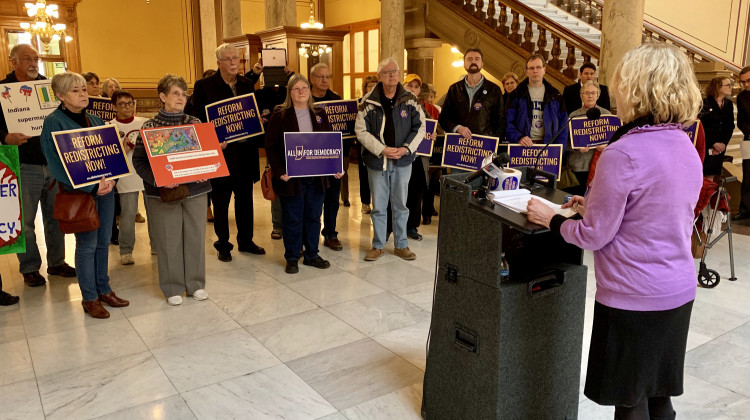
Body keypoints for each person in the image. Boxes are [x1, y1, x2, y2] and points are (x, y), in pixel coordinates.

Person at [527, 43, 703, 420]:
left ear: (637, 89)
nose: (614, 93)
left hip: (633, 296)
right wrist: (591, 205)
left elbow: (593, 236)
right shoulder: (685, 146)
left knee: (630, 401)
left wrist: (551, 219)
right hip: (678, 290)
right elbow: (652, 213)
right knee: (659, 396)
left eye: (620, 84)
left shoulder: (622, 153)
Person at [41, 72, 129, 319]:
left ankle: (104, 289)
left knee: (103, 244)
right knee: (87, 246)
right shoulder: (54, 122)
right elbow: (56, 164)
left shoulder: (95, 119)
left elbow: (112, 154)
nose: (83, 94)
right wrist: (91, 188)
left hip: (106, 191)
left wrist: (112, 180)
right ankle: (89, 297)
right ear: (60, 95)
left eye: (83, 89)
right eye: (76, 91)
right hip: (82, 194)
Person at [0, 44, 76, 287]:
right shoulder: (2, 90)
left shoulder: (49, 87)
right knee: (26, 222)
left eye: (36, 58)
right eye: (27, 59)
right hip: (22, 164)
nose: (34, 63)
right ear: (13, 62)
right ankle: (30, 267)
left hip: (53, 162)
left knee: (55, 216)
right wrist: (5, 138)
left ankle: (56, 262)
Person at [132, 74, 211, 306]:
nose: (181, 97)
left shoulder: (195, 123)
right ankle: (172, 287)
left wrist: (207, 168)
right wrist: (158, 180)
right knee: (169, 240)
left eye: (184, 93)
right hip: (163, 194)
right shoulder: (149, 127)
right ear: (162, 96)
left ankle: (196, 284)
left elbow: (207, 155)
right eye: (176, 93)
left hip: (196, 191)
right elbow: (140, 162)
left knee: (196, 238)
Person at [190, 43, 265, 262]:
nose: (234, 63)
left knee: (245, 201)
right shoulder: (204, 86)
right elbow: (198, 120)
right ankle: (223, 244)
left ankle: (246, 240)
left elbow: (251, 113)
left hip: (245, 153)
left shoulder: (246, 83)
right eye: (229, 59)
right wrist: (213, 140)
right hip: (220, 153)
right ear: (219, 63)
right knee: (221, 202)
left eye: (237, 59)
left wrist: (255, 120)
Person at [265, 74, 344, 273]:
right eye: (296, 89)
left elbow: (329, 143)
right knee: (292, 218)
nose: (301, 92)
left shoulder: (319, 113)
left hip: (317, 178)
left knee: (313, 217)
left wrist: (336, 165)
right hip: (291, 178)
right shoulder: (280, 114)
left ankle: (311, 254)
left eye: (304, 88)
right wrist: (279, 171)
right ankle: (292, 257)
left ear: (309, 91)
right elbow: (271, 146)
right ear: (289, 92)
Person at [355, 57, 425, 262]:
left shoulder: (410, 98)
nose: (392, 75)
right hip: (377, 161)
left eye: (395, 71)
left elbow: (420, 127)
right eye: (387, 72)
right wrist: (383, 149)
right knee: (378, 205)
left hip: (403, 160)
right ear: (380, 76)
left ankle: (401, 245)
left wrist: (406, 148)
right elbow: (361, 131)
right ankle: (378, 245)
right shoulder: (368, 100)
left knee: (401, 205)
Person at [109, 90, 151, 264]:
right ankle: (126, 251)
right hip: (126, 176)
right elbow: (110, 156)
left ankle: (157, 246)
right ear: (114, 107)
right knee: (127, 214)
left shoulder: (145, 123)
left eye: (130, 103)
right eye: (122, 104)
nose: (127, 107)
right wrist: (125, 148)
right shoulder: (110, 127)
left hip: (147, 174)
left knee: (155, 213)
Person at [309, 63, 345, 251]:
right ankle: (307, 237)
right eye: (320, 77)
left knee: (332, 198)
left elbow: (345, 130)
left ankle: (330, 234)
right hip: (310, 157)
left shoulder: (336, 100)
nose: (324, 80)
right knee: (312, 199)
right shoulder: (304, 98)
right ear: (312, 78)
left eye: (327, 77)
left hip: (332, 157)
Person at [438, 48, 506, 146]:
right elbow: (444, 118)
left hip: (484, 146)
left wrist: (492, 142)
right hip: (458, 145)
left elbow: (501, 121)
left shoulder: (494, 90)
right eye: (469, 59)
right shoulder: (454, 89)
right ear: (464, 64)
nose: (473, 61)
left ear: (482, 64)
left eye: (477, 59)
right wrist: (458, 128)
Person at [506, 54, 568, 148]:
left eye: (538, 67)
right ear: (527, 71)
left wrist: (559, 149)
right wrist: (519, 137)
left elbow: (563, 125)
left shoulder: (555, 95)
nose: (535, 71)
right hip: (522, 146)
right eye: (531, 68)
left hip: (548, 146)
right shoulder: (516, 95)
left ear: (544, 70)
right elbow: (507, 122)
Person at [562, 81, 610, 196]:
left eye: (593, 93)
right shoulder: (573, 116)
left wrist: (606, 147)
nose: (590, 96)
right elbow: (565, 143)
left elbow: (615, 143)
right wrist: (577, 147)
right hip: (578, 166)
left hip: (599, 165)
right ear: (581, 95)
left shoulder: (607, 115)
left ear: (598, 95)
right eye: (586, 93)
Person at [402, 74, 433, 240]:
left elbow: (430, 129)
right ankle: (394, 227)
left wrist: (432, 135)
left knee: (416, 192)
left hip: (419, 159)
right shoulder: (397, 105)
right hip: (401, 157)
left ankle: (412, 226)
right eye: (410, 86)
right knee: (400, 193)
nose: (413, 89)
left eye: (416, 86)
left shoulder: (423, 110)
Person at [699, 76, 735, 179]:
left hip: (720, 147)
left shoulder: (728, 104)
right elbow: (702, 127)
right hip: (706, 145)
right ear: (718, 87)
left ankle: (711, 194)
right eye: (727, 85)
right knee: (704, 175)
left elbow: (730, 126)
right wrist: (713, 143)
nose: (731, 87)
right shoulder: (704, 103)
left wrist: (723, 144)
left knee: (713, 176)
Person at [358, 76, 379, 215]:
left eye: (375, 85)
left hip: (379, 145)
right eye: (369, 85)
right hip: (363, 145)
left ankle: (377, 202)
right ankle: (365, 202)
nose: (372, 88)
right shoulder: (359, 103)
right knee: (364, 175)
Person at [735, 67, 750, 220]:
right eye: (742, 82)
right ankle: (745, 210)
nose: (745, 85)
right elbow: (740, 121)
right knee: (747, 176)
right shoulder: (741, 97)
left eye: (748, 81)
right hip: (749, 139)